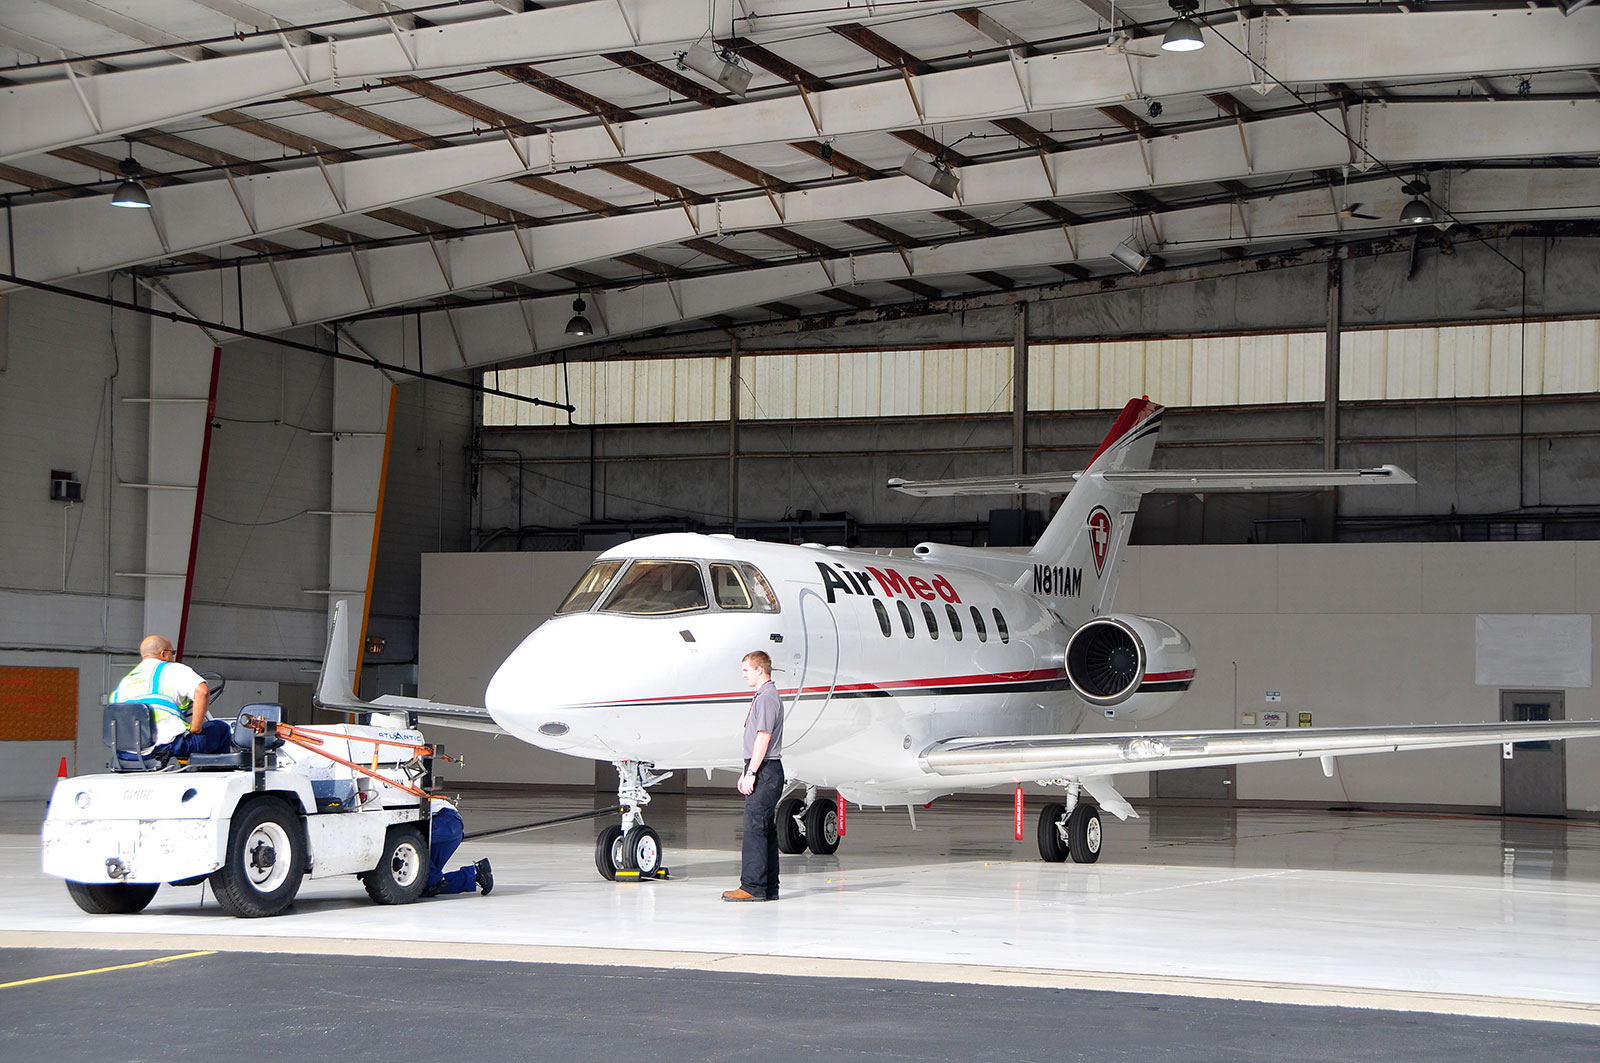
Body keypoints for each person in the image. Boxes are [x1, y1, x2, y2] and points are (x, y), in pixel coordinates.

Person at [111, 635, 232, 765]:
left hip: (126, 754)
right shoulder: (173, 669)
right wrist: (195, 728)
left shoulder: (125, 681)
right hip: (166, 749)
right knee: (221, 729)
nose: (173, 656)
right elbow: (202, 692)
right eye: (172, 652)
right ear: (164, 654)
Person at [723, 650, 784, 902]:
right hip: (763, 767)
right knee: (765, 829)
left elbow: (763, 737)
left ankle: (751, 886)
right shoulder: (764, 696)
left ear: (760, 669)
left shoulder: (767, 698)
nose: (744, 674)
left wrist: (751, 772)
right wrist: (746, 769)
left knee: (754, 829)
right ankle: (768, 887)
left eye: (747, 670)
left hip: (766, 769)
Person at [422, 795, 493, 897]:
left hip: (444, 819)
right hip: (451, 825)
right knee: (422, 884)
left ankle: (434, 879)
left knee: (407, 841)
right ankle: (475, 873)